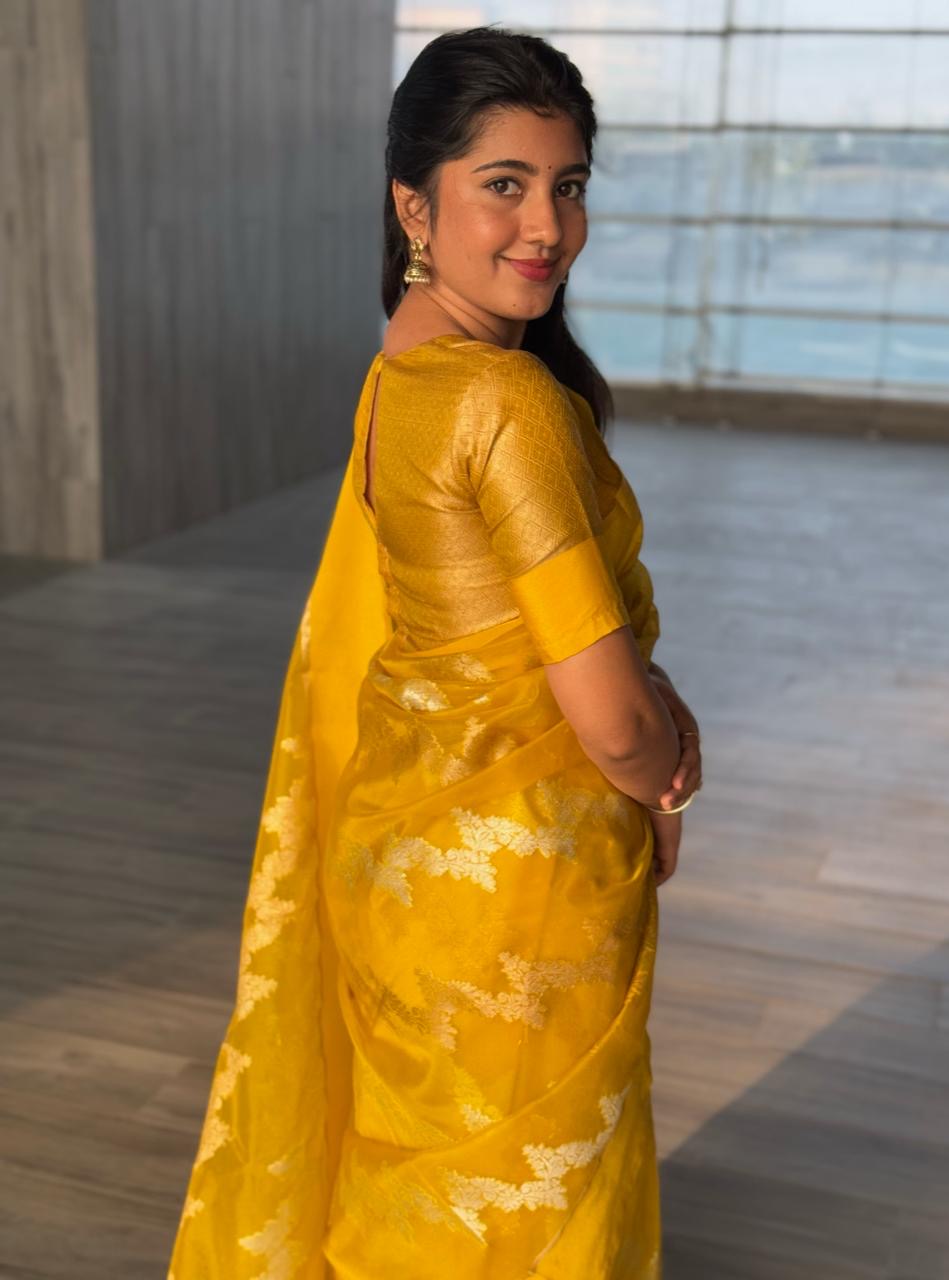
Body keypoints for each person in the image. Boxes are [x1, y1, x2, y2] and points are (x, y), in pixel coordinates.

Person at [167, 24, 702, 1280]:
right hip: (520, 896)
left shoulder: (397, 377)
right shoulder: (504, 402)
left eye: (567, 185)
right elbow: (608, 718)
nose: (545, 226)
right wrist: (666, 774)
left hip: (403, 859)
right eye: (501, 184)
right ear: (414, 203)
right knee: (527, 1211)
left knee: (422, 1196)